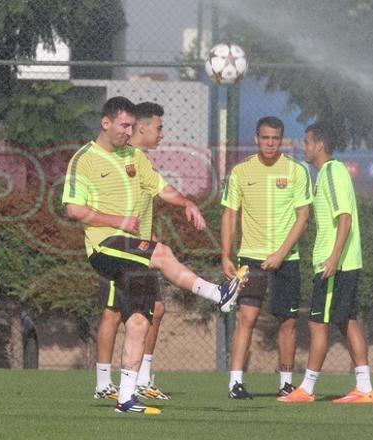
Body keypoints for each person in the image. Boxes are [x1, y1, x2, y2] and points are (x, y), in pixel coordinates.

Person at [63, 96, 248, 414]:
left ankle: (125, 399)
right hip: (105, 246)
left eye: (131, 126)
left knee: (139, 321)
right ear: (105, 123)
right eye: (124, 125)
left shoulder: (133, 156)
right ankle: (217, 293)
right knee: (161, 252)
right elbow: (73, 209)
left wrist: (187, 202)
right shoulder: (84, 159)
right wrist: (117, 221)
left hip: (132, 253)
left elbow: (161, 188)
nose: (128, 131)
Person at [278, 122, 373, 403]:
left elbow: (345, 217)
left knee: (317, 324)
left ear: (319, 145)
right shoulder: (327, 174)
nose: (303, 147)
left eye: (306, 142)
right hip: (341, 262)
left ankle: (307, 389)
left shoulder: (332, 171)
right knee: (347, 322)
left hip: (336, 265)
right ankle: (364, 388)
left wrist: (333, 258)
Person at [220, 116, 312, 399]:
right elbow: (229, 214)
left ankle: (285, 383)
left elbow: (303, 217)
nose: (270, 143)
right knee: (246, 317)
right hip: (250, 256)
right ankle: (235, 382)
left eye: (275, 138)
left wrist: (281, 253)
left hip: (287, 258)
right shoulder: (240, 171)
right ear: (256, 138)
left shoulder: (297, 170)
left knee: (287, 321)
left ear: (282, 139)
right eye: (265, 137)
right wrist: (226, 255)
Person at [93, 102, 170, 401]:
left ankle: (141, 379)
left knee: (155, 310)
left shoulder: (138, 159)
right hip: (119, 249)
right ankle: (104, 383)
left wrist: (151, 241)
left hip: (140, 249)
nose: (162, 133)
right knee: (113, 312)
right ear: (142, 127)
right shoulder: (118, 156)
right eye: (159, 127)